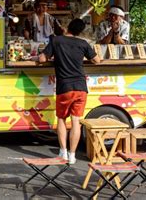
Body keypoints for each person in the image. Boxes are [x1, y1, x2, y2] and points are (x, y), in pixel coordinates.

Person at [38, 19, 101, 164]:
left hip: (64, 87)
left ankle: (63, 152)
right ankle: (73, 155)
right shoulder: (83, 43)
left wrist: (37, 56)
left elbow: (42, 59)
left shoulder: (56, 41)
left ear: (67, 27)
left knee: (61, 119)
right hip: (80, 87)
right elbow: (97, 60)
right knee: (76, 121)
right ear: (80, 31)